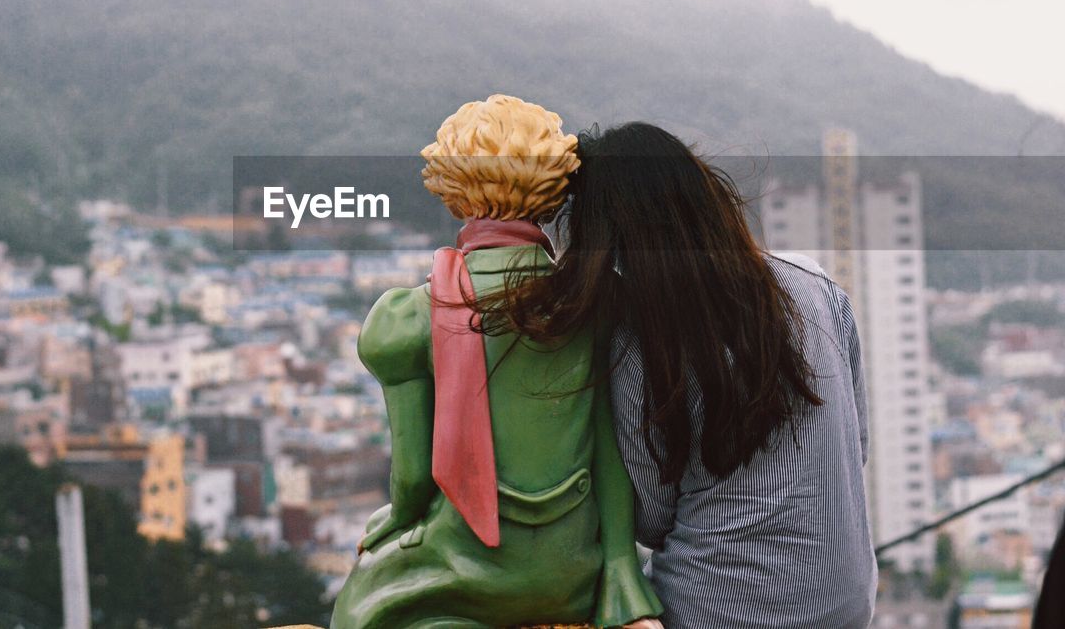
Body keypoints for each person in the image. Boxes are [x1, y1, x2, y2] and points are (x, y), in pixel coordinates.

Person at [489, 121, 878, 628]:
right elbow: (857, 444)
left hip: (715, 610)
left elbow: (650, 518)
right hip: (845, 605)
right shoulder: (815, 287)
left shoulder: (639, 342)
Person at [330, 96, 664, 629]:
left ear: (451, 187)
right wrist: (621, 572)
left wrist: (394, 519)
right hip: (572, 573)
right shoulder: (595, 303)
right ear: (553, 191)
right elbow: (610, 455)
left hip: (468, 569)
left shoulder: (409, 317)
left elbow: (414, 479)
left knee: (362, 606)